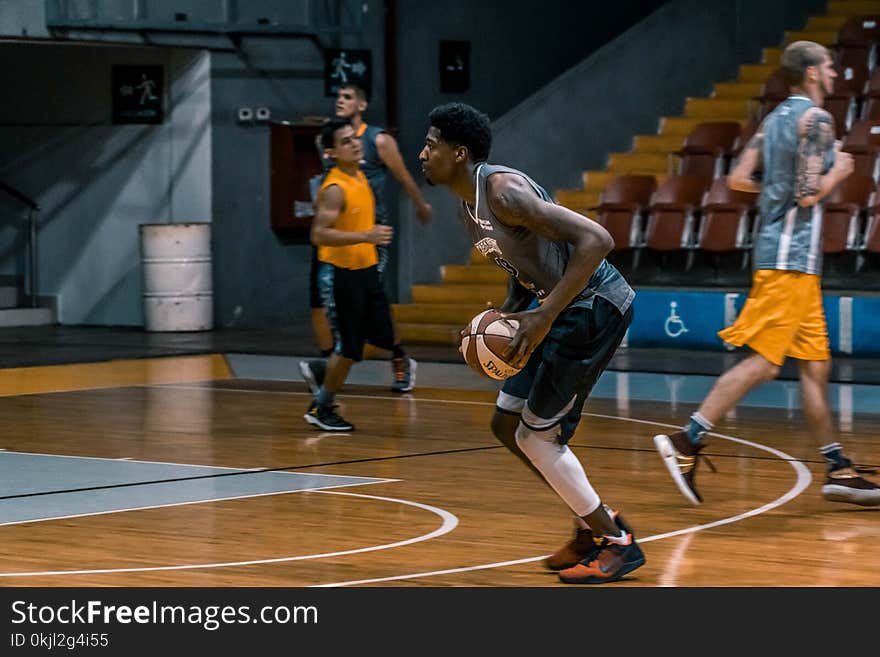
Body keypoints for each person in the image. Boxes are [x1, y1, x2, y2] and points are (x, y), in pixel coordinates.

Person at [420, 102, 645, 584]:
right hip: (555, 309)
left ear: (459, 154)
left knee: (535, 436)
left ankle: (618, 543)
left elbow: (597, 240)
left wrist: (542, 316)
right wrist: (506, 314)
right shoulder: (467, 206)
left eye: (430, 145)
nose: (422, 153)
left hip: (593, 307)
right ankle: (590, 526)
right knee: (506, 425)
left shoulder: (504, 191)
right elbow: (525, 271)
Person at [653, 40, 880, 507]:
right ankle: (687, 440)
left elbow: (736, 179)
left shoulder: (771, 121)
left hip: (785, 258)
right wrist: (840, 170)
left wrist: (777, 187)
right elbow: (808, 194)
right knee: (767, 362)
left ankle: (839, 468)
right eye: (830, 68)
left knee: (816, 366)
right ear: (812, 73)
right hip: (790, 261)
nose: (836, 74)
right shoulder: (816, 120)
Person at [301, 83, 432, 395]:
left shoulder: (375, 141)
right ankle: (327, 370)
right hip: (342, 234)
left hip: (369, 234)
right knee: (320, 308)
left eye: (347, 97)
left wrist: (421, 204)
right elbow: (322, 221)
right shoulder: (339, 154)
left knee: (371, 314)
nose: (339, 101)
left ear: (362, 104)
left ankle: (396, 358)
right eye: (338, 96)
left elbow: (402, 175)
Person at [304, 117, 397, 432]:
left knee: (383, 337)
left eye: (355, 138)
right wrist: (366, 237)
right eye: (346, 142)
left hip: (365, 270)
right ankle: (322, 405)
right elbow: (319, 234)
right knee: (350, 346)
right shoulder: (334, 188)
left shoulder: (360, 176)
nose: (355, 144)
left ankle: (324, 368)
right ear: (331, 152)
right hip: (340, 273)